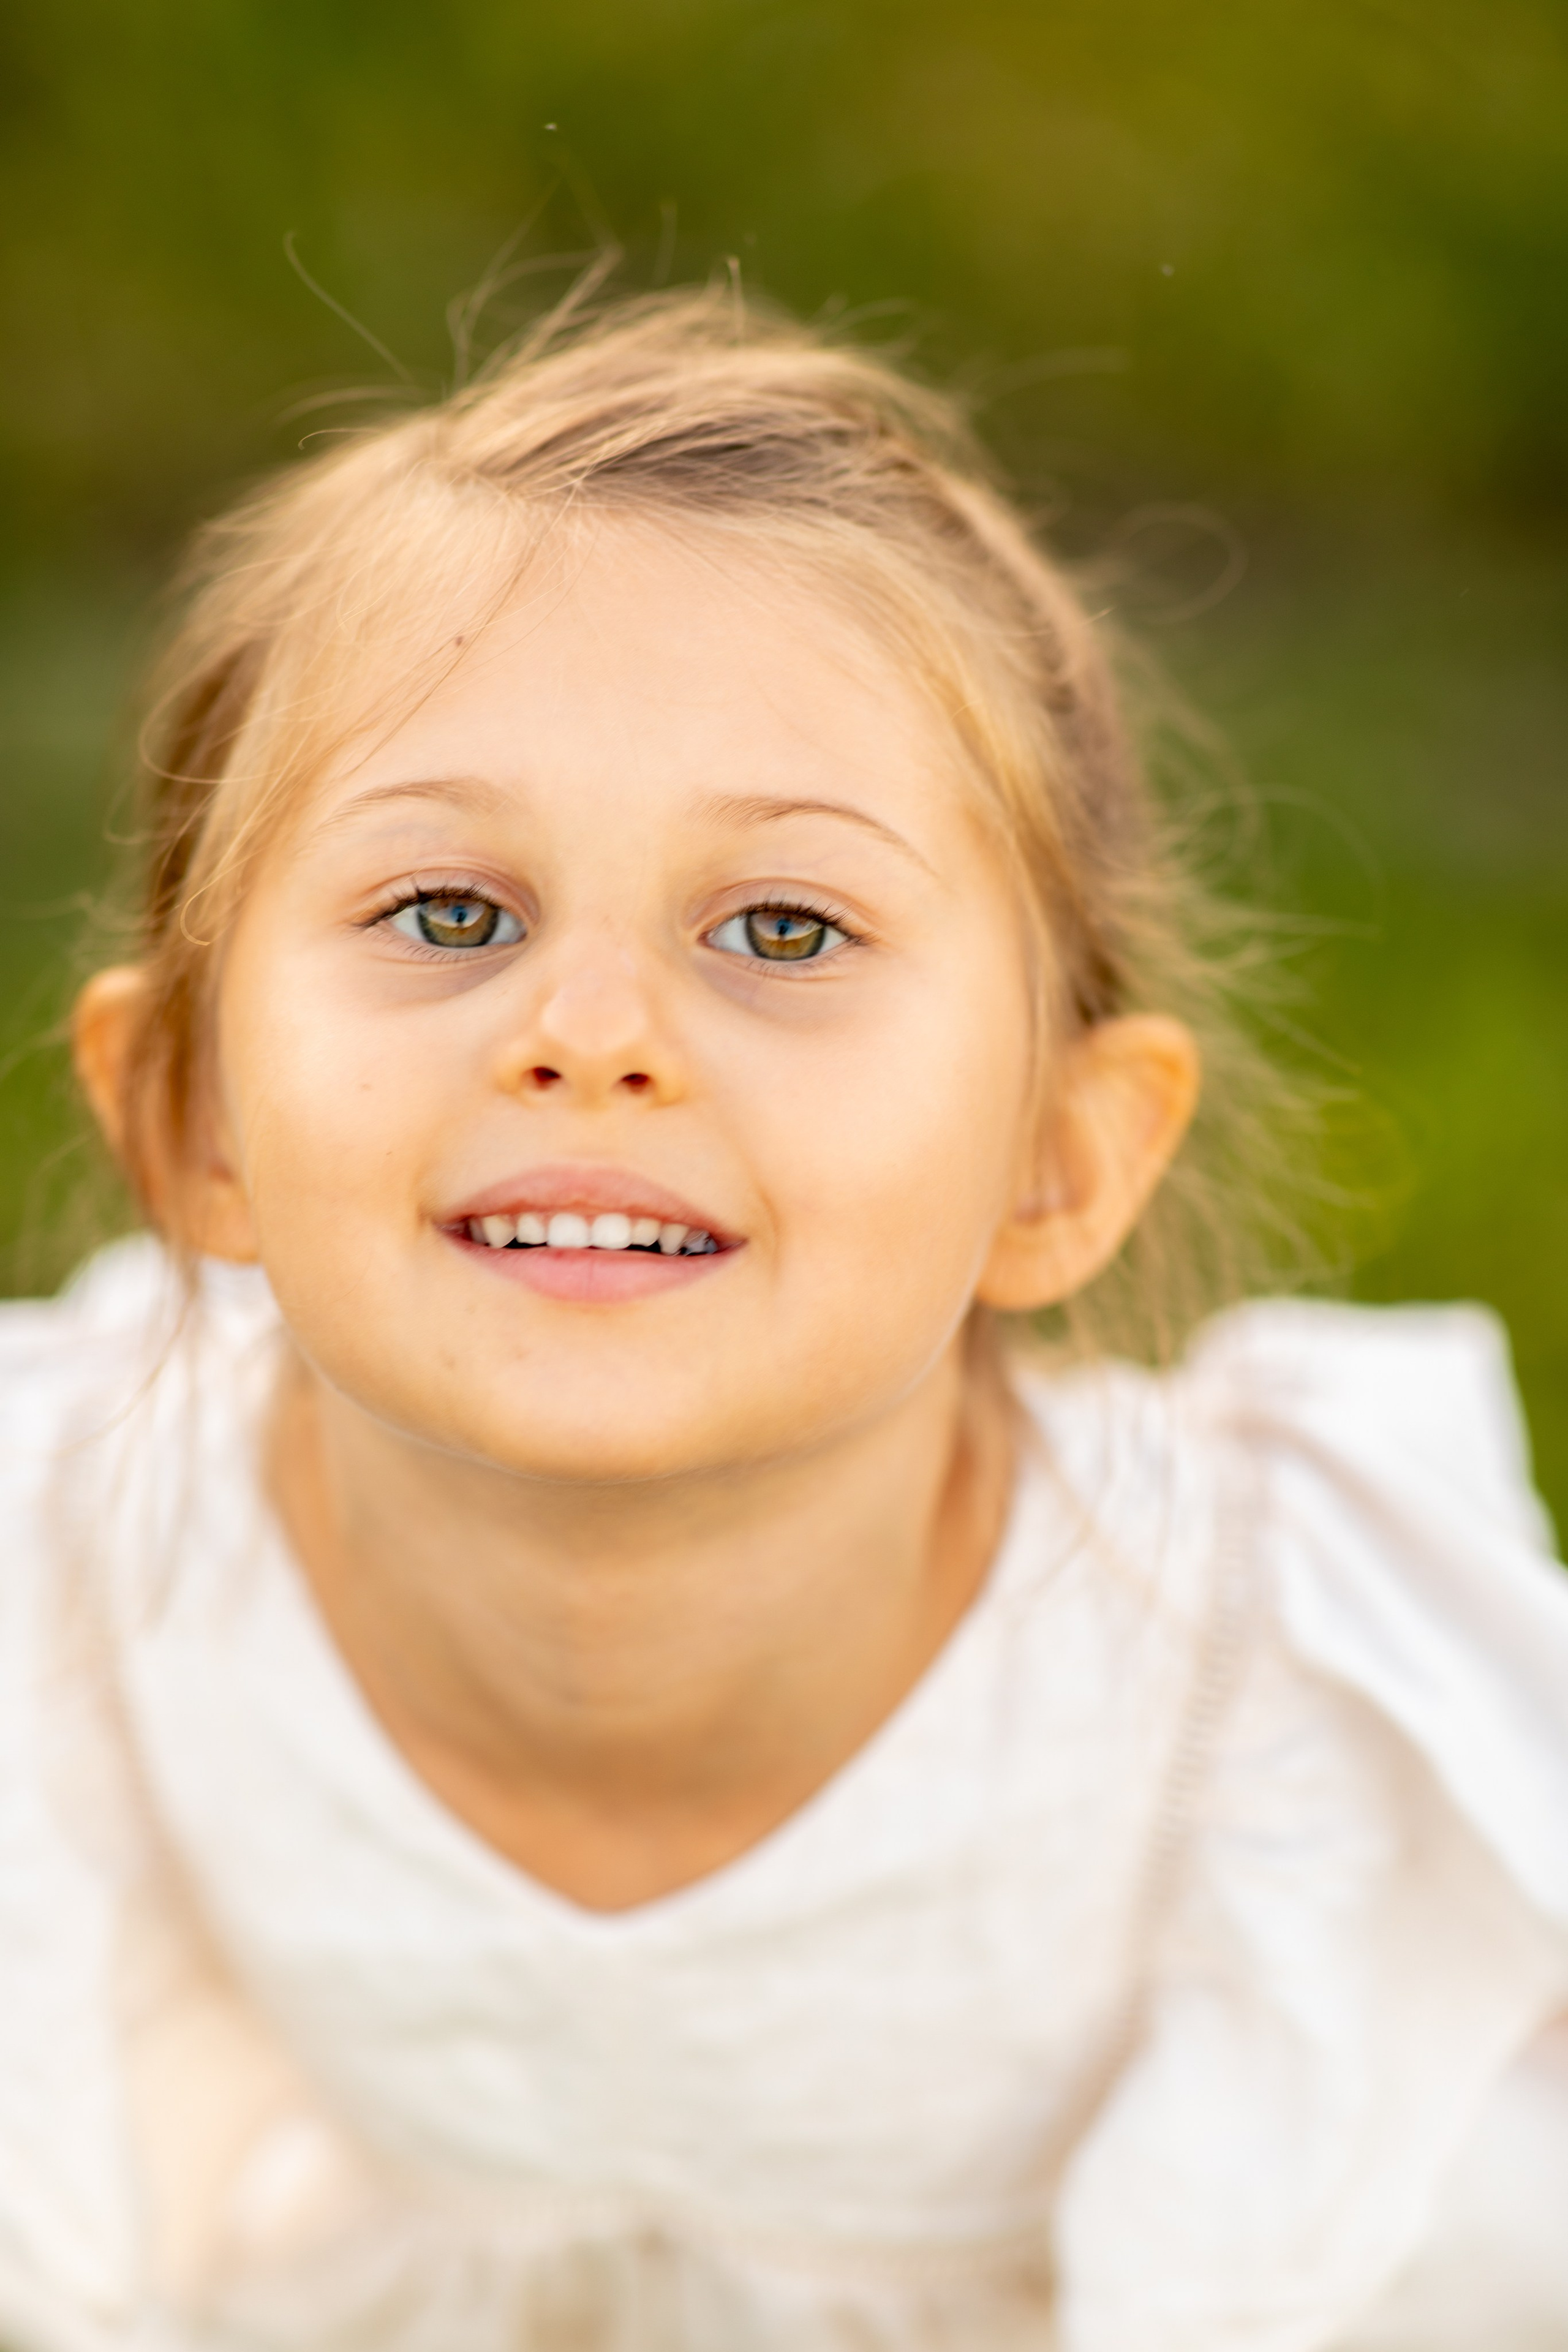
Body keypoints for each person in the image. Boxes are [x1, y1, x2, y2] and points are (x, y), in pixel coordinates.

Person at [2, 288, 1565, 2352]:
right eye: (449, 913)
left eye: (787, 928)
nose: (591, 1035)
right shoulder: (68, 1583)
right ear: (190, 1115)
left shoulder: (1268, 1704)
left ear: (1056, 1162)